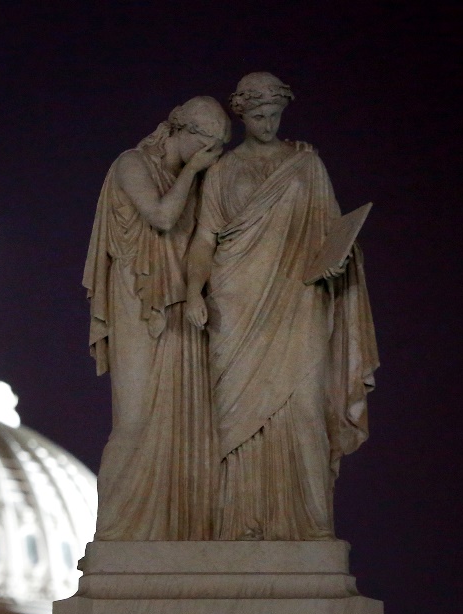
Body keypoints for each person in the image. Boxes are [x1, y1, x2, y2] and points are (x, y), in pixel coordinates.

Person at [186, 73, 379, 541]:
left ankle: (308, 525)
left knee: (304, 408)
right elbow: (204, 239)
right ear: (242, 115)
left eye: (274, 115)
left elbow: (332, 233)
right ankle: (237, 524)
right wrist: (193, 292)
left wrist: (337, 260)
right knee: (233, 417)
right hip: (235, 302)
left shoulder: (306, 167)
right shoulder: (223, 171)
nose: (267, 123)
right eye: (258, 116)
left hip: (298, 301)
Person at [84, 96, 231, 540]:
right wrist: (192, 171)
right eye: (208, 144)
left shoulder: (196, 179)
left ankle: (176, 527)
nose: (213, 155)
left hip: (180, 308)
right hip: (138, 300)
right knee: (134, 419)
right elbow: (162, 217)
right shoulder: (132, 164)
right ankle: (117, 532)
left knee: (184, 420)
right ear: (183, 132)